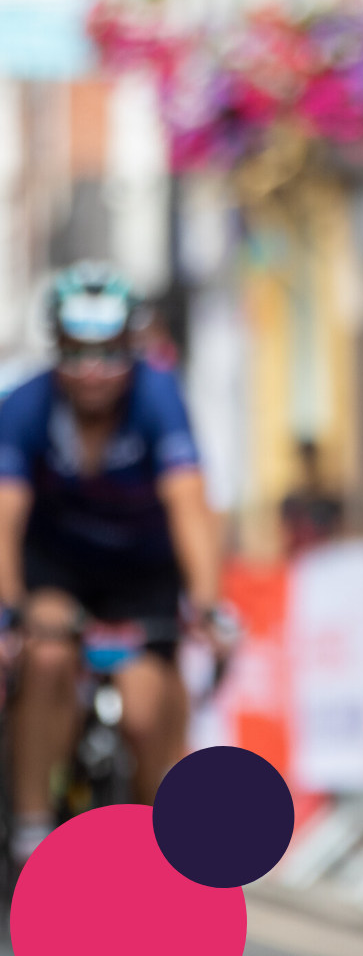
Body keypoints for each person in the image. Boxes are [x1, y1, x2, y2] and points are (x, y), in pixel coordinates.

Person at [0, 262, 227, 865]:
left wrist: (206, 605)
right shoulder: (25, 404)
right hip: (57, 569)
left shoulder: (159, 398)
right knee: (46, 652)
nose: (93, 371)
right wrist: (9, 612)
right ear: (57, 351)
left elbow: (189, 505)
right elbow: (4, 518)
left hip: (141, 578)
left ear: (132, 348)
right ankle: (29, 834)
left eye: (108, 353)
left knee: (149, 714)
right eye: (76, 353)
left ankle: (157, 852)